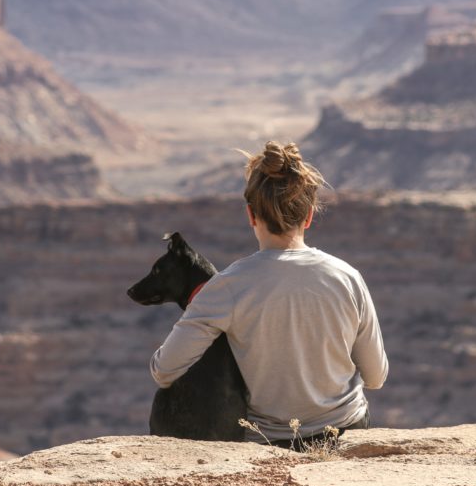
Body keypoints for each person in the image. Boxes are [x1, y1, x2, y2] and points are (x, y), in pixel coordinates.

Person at [149, 141, 389, 446]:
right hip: (346, 432)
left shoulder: (226, 287)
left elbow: (163, 370)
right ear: (309, 216)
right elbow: (376, 377)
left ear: (251, 215)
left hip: (272, 442)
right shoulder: (347, 277)